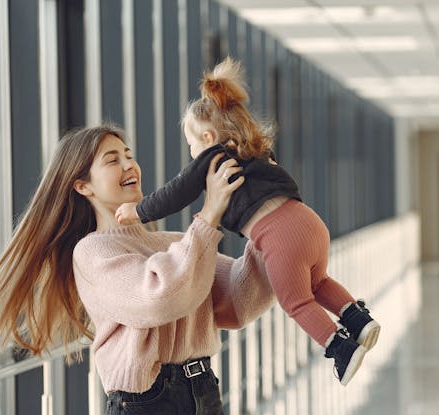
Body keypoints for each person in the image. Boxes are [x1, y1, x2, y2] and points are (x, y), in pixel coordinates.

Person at [0, 125, 275, 415]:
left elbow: (240, 299)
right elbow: (159, 298)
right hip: (144, 412)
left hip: (203, 397)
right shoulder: (92, 252)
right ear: (82, 186)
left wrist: (267, 224)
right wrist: (210, 214)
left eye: (130, 155)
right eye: (112, 159)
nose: (128, 164)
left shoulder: (172, 245)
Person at [116, 57, 380, 386]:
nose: (191, 153)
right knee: (318, 280)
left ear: (209, 135)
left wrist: (138, 211)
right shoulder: (257, 154)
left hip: (279, 236)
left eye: (190, 144)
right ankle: (357, 319)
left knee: (296, 301)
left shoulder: (212, 157)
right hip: (308, 222)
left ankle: (340, 349)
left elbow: (176, 192)